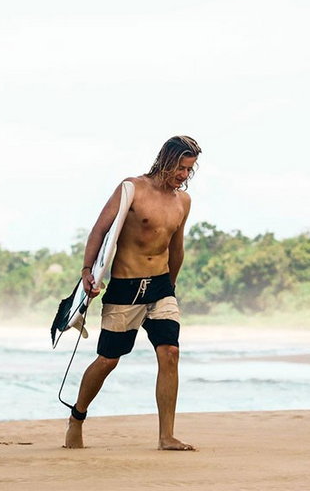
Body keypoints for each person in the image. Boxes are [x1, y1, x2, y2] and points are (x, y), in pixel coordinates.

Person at [64, 135, 201, 451]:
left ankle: (166, 436)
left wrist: (172, 287)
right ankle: (77, 417)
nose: (183, 175)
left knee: (170, 353)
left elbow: (175, 247)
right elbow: (100, 230)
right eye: (180, 168)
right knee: (108, 360)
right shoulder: (132, 189)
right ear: (165, 160)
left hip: (161, 285)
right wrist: (88, 272)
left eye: (189, 170)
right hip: (125, 286)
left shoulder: (183, 202)